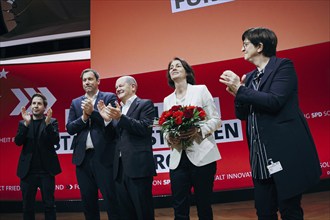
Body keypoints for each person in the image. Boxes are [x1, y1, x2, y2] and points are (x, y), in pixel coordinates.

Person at [219, 27, 321, 220]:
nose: (242, 49)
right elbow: (242, 114)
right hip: (259, 159)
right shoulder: (249, 77)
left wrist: (240, 89)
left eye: (245, 44)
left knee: (289, 210)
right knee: (264, 212)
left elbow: (274, 102)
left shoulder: (283, 66)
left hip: (283, 154)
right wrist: (237, 93)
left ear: (259, 46)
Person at [163, 57, 222, 220]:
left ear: (187, 72)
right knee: (179, 206)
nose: (173, 68)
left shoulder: (200, 90)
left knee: (204, 204)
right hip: (178, 159)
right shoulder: (167, 100)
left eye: (177, 66)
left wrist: (198, 129)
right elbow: (165, 129)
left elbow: (216, 120)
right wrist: (170, 137)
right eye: (170, 67)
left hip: (202, 156)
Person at [97, 75, 156, 220]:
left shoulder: (145, 104)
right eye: (116, 87)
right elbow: (113, 137)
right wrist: (107, 121)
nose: (117, 89)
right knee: (125, 213)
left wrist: (120, 118)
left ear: (133, 87)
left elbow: (144, 128)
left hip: (139, 168)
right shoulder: (118, 110)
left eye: (121, 85)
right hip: (120, 170)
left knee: (143, 212)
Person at [66, 68, 119, 220]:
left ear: (98, 81)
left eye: (90, 79)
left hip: (104, 157)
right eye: (84, 80)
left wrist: (92, 113)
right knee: (88, 201)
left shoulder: (108, 97)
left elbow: (110, 123)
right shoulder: (76, 102)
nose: (87, 82)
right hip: (83, 159)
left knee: (111, 199)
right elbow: (70, 128)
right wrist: (83, 117)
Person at [14, 93, 62, 220]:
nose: (35, 106)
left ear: (45, 107)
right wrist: (25, 124)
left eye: (39, 103)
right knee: (27, 206)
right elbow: (18, 142)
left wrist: (47, 124)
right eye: (33, 103)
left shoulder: (52, 122)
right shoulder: (23, 122)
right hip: (27, 172)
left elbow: (55, 140)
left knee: (49, 205)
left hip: (47, 172)